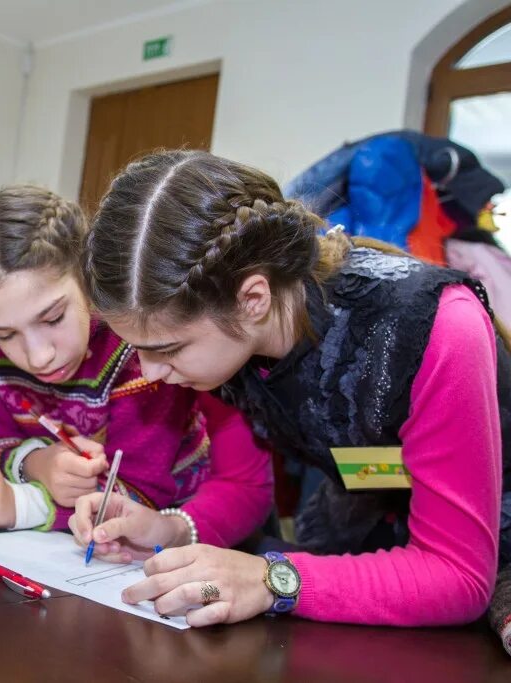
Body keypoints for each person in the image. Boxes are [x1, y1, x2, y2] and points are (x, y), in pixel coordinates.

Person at [72, 149, 509, 650]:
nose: (149, 374)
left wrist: (270, 580)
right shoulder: (227, 345)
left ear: (252, 299)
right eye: (138, 351)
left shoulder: (437, 327)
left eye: (167, 349)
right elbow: (248, 483)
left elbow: (458, 575)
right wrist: (171, 528)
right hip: (369, 533)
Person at [0, 185, 272, 549]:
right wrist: (35, 464)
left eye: (53, 319)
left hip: (190, 528)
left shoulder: (140, 348)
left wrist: (22, 504)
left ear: (86, 279)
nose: (38, 357)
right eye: (6, 335)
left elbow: (141, 494)